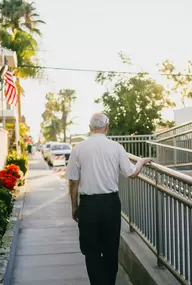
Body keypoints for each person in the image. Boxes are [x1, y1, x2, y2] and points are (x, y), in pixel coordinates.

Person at [66, 112, 152, 285]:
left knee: (91, 251)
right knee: (111, 249)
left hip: (89, 206)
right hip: (110, 204)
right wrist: (141, 161)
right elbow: (132, 173)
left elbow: (73, 182)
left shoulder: (78, 149)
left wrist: (75, 207)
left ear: (90, 128)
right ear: (107, 127)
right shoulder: (116, 147)